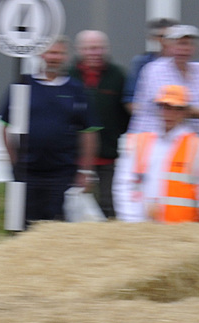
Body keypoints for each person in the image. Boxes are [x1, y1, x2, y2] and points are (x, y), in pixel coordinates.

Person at [0, 36, 98, 226]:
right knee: (23, 227)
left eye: (59, 53)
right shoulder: (23, 85)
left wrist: (85, 170)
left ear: (66, 56)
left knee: (59, 229)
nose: (54, 57)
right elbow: (4, 126)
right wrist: (13, 162)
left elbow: (89, 132)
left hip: (63, 174)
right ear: (41, 55)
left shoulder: (76, 89)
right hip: (28, 173)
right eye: (51, 52)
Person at [113, 83, 199, 224]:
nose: (170, 114)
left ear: (185, 112)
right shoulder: (140, 142)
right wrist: (131, 220)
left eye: (177, 109)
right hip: (143, 226)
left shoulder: (196, 145)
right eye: (166, 107)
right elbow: (124, 183)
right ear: (160, 109)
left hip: (183, 227)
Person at [131, 25, 199, 171]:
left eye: (189, 44)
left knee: (190, 189)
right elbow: (173, 107)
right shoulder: (154, 70)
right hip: (154, 146)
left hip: (193, 146)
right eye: (179, 43)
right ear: (168, 47)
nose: (184, 48)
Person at [73, 30, 128, 220]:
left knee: (109, 204)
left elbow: (125, 113)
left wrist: (113, 134)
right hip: (74, 157)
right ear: (80, 50)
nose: (94, 53)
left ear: (106, 50)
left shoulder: (117, 76)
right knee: (76, 206)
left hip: (108, 156)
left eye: (98, 48)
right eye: (89, 48)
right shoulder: (69, 76)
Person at [124, 16, 174, 111]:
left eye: (170, 37)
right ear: (152, 38)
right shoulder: (141, 63)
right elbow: (130, 100)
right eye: (161, 37)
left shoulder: (190, 65)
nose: (165, 41)